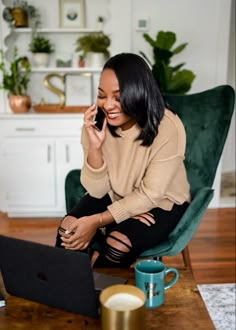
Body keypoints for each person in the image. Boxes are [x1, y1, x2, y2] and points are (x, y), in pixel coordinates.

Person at [55, 53, 191, 267]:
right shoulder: (96, 124)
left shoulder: (167, 126)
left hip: (163, 201)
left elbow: (151, 194)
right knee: (68, 227)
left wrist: (98, 220)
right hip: (115, 192)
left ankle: (102, 297)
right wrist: (96, 147)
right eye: (101, 95)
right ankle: (64, 288)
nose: (108, 105)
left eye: (118, 97)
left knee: (118, 243)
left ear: (139, 93)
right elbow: (97, 191)